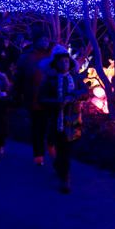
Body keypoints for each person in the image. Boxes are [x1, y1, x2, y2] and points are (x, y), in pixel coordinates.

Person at [39, 45, 88, 193]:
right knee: (58, 147)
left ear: (70, 63)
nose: (64, 64)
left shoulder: (75, 78)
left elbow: (85, 92)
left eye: (66, 61)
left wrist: (74, 96)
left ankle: (65, 178)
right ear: (55, 63)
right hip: (55, 121)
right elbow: (41, 98)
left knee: (66, 150)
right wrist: (56, 103)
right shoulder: (50, 80)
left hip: (72, 121)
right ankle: (60, 167)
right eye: (61, 61)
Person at [15, 25, 52, 165]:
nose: (45, 42)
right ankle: (39, 154)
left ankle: (50, 147)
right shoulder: (27, 56)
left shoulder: (52, 54)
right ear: (36, 41)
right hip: (34, 97)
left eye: (47, 39)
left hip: (51, 98)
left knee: (49, 125)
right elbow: (19, 76)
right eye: (42, 39)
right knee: (37, 126)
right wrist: (17, 94)